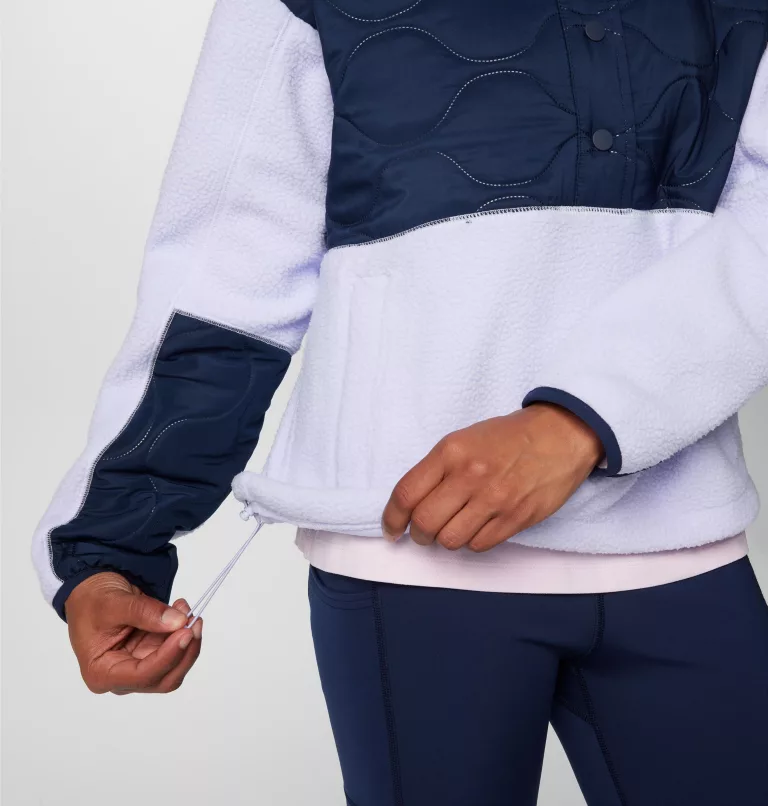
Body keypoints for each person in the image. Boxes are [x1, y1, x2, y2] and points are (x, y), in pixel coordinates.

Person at [33, 0, 768, 803]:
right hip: (410, 546)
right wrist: (109, 551)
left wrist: (582, 422)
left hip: (680, 531)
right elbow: (228, 268)